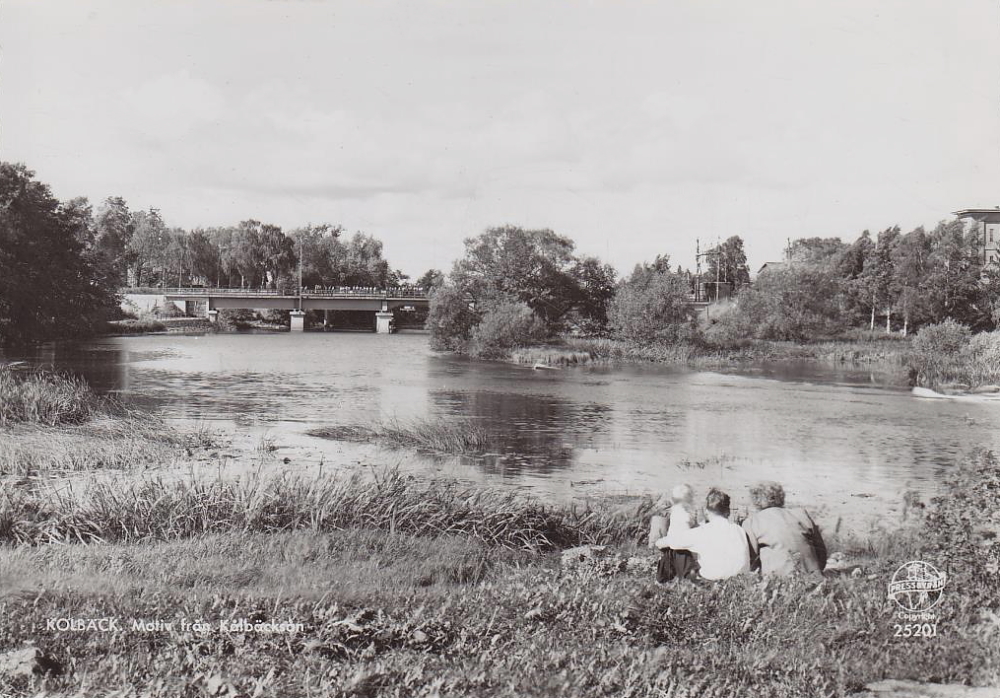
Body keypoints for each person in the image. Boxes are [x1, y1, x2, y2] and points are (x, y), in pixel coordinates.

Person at [656, 488, 750, 581]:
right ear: (728, 512)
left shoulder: (703, 531)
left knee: (676, 549)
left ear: (706, 511)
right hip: (739, 579)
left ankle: (663, 580)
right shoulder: (739, 529)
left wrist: (659, 543)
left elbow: (670, 542)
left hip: (711, 582)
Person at [741, 481, 827, 577]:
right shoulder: (801, 513)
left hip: (779, 581)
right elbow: (821, 551)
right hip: (814, 577)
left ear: (755, 499)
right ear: (781, 497)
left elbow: (752, 561)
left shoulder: (752, 522)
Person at [649, 484, 700, 582]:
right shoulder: (687, 513)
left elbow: (679, 539)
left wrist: (662, 542)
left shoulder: (679, 512)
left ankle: (666, 579)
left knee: (677, 571)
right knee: (686, 574)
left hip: (678, 549)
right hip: (683, 550)